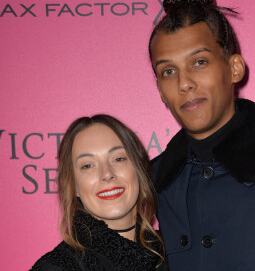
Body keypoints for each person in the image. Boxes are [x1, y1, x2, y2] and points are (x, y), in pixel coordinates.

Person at [149, 0, 255, 271]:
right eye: (168, 71)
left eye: (199, 62)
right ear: (160, 91)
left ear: (234, 68)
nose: (184, 83)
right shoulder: (151, 181)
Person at [31, 114, 167, 270]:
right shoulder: (55, 267)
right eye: (88, 165)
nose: (107, 174)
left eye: (118, 159)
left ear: (139, 169)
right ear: (72, 185)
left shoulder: (177, 252)